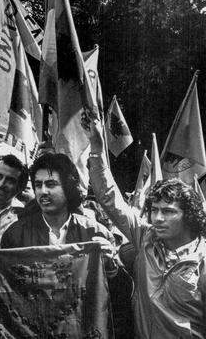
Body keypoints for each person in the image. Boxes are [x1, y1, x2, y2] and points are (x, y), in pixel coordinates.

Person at [84, 113, 206, 338]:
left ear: (189, 216)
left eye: (168, 212)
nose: (157, 218)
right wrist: (96, 151)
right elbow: (110, 199)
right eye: (154, 210)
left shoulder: (203, 260)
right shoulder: (145, 237)